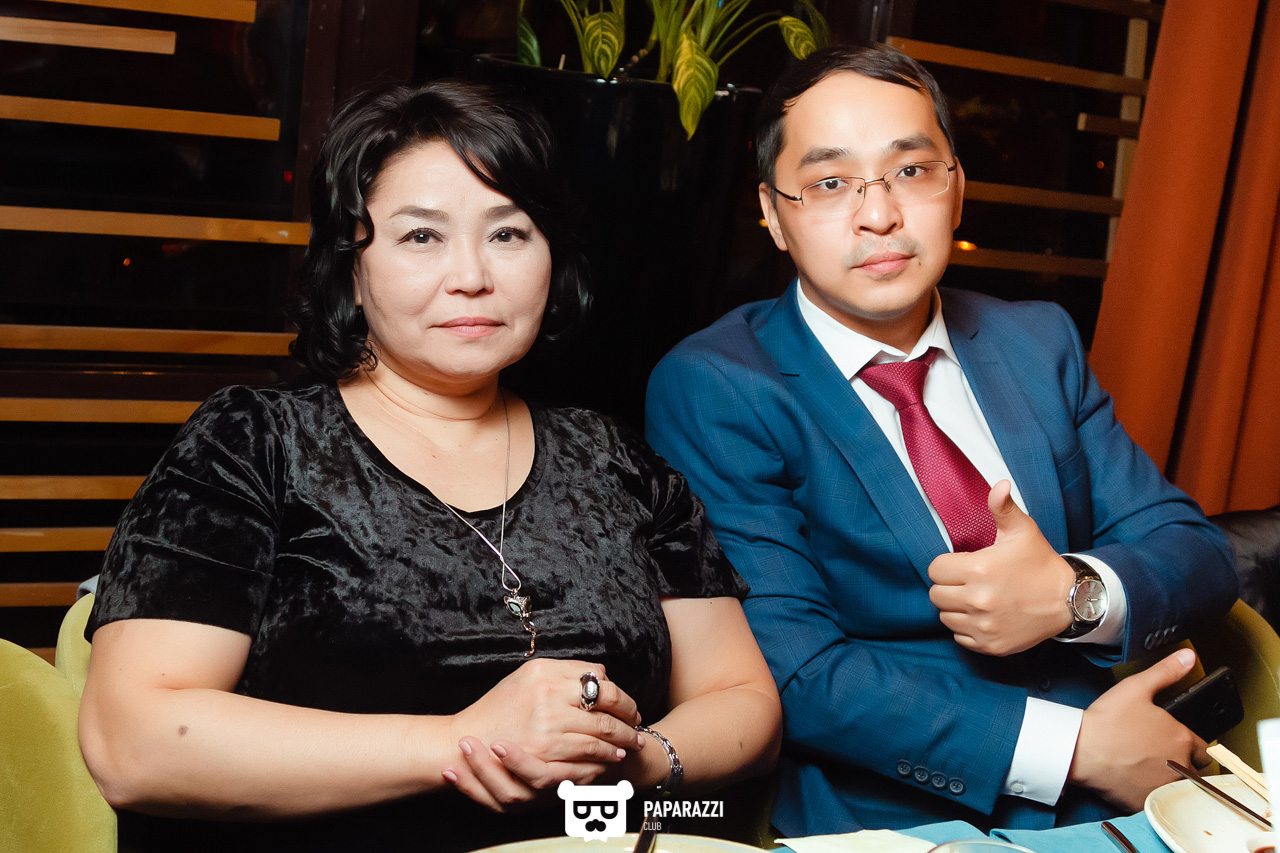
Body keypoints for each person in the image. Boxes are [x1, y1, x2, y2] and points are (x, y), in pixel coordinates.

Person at [78, 80, 781, 853]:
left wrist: (635, 760)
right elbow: (133, 743)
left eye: (508, 233)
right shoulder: (253, 444)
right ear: (351, 267)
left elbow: (743, 699)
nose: (472, 274)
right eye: (421, 236)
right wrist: (464, 743)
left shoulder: (614, 460)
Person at [645, 44, 1238, 834]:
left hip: (1138, 780)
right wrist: (1074, 748)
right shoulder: (717, 384)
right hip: (897, 815)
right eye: (829, 183)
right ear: (774, 214)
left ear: (957, 187)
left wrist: (1072, 595)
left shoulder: (1037, 340)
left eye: (911, 170)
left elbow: (1198, 552)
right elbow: (798, 671)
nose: (879, 215)